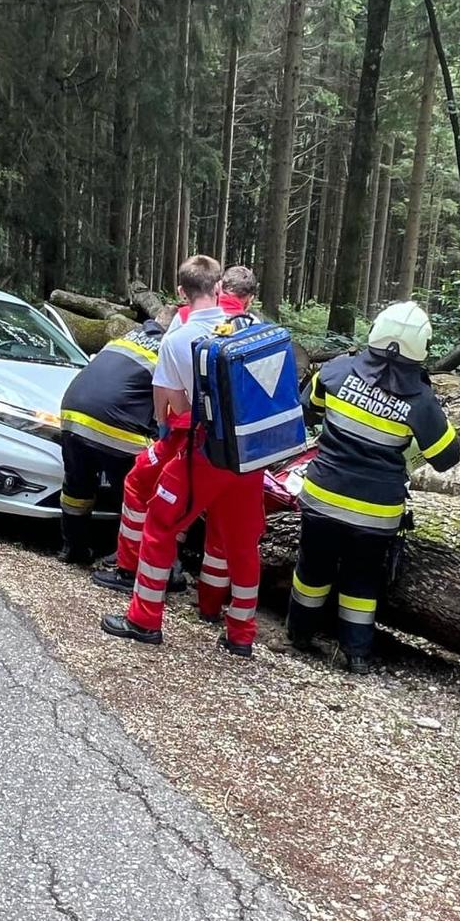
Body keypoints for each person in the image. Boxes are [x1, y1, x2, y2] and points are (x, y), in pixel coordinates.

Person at [101, 254, 268, 658]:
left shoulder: (178, 337)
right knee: (243, 544)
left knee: (160, 524)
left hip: (207, 453)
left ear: (181, 293)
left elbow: (171, 408)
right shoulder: (253, 328)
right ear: (219, 289)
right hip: (251, 456)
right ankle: (241, 635)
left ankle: (143, 620)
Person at [288, 301, 460, 673]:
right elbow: (447, 457)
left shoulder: (335, 371)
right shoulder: (421, 401)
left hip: (322, 498)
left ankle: (299, 634)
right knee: (362, 579)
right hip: (377, 513)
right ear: (421, 348)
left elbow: (307, 406)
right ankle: (357, 654)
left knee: (312, 567)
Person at [56, 317, 165, 566]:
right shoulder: (169, 350)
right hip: (115, 425)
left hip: (72, 414)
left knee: (77, 487)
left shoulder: (125, 338)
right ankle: (128, 558)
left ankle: (74, 548)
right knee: (134, 494)